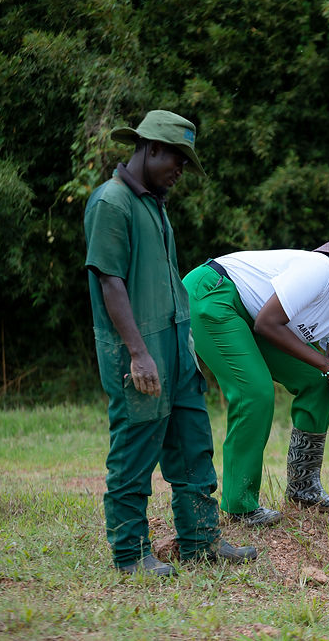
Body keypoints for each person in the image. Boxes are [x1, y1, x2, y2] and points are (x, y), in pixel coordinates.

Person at [84, 110, 257, 576]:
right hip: (139, 353)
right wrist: (139, 353)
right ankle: (130, 554)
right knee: (135, 452)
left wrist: (188, 346)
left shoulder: (154, 204)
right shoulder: (112, 203)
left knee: (194, 446)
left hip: (178, 350)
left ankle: (201, 540)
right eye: (177, 160)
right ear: (151, 148)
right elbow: (110, 282)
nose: (180, 171)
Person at [183, 241, 329, 526]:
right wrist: (326, 364)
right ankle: (240, 506)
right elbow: (267, 323)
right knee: (255, 393)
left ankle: (303, 488)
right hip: (215, 292)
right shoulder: (321, 271)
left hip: (254, 316)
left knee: (317, 382)